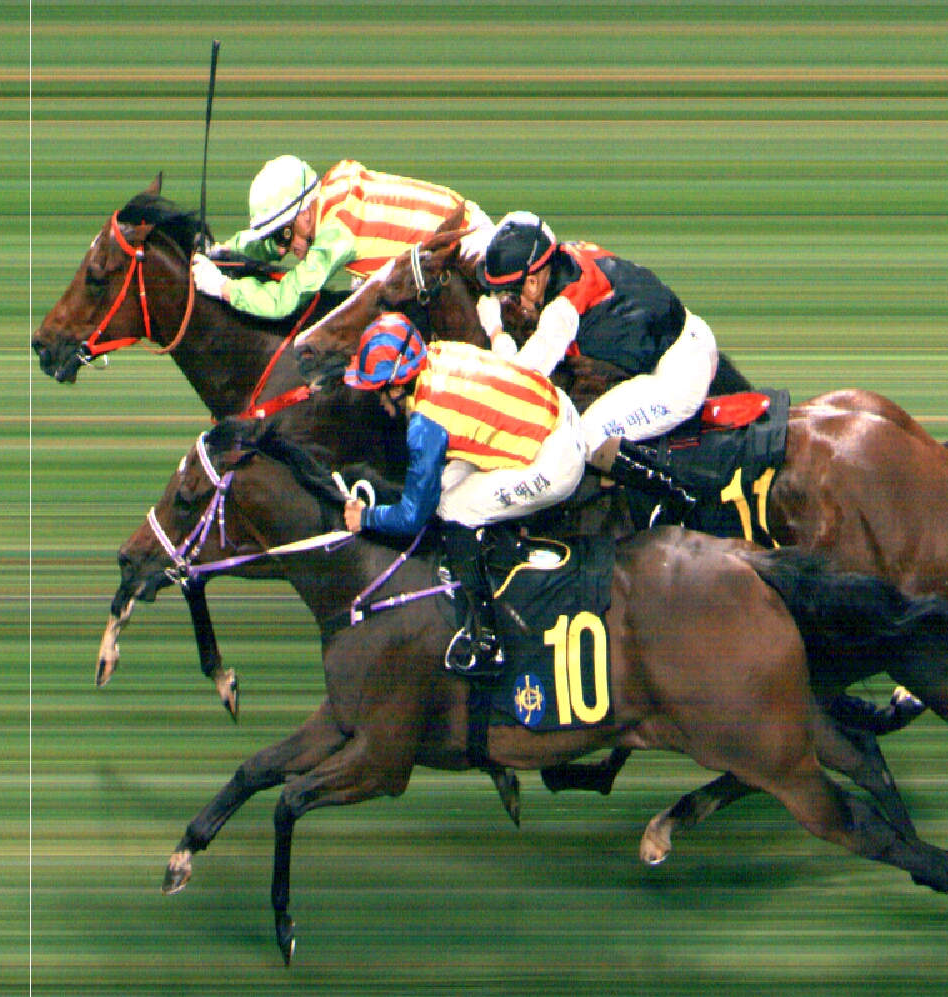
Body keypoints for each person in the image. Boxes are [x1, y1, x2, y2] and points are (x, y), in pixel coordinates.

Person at [338, 312, 586, 675]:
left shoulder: (425, 426)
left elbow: (412, 516)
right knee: (447, 483)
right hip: (560, 410)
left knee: (451, 507)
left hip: (557, 462)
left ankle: (489, 642)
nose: (378, 400)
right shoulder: (438, 351)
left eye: (377, 390)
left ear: (396, 386)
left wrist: (366, 517)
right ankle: (491, 547)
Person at [477, 211, 715, 524]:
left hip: (679, 375)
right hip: (688, 336)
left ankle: (682, 501)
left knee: (586, 435)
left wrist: (495, 331)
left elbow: (519, 383)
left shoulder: (561, 311)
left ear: (533, 283)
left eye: (510, 292)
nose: (511, 301)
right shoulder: (569, 252)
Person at [193, 156, 506, 343]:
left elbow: (283, 301)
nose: (284, 249)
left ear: (303, 216)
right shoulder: (330, 191)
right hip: (449, 238)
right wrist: (222, 251)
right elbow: (270, 243)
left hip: (470, 251)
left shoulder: (336, 233)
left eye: (284, 236)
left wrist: (221, 287)